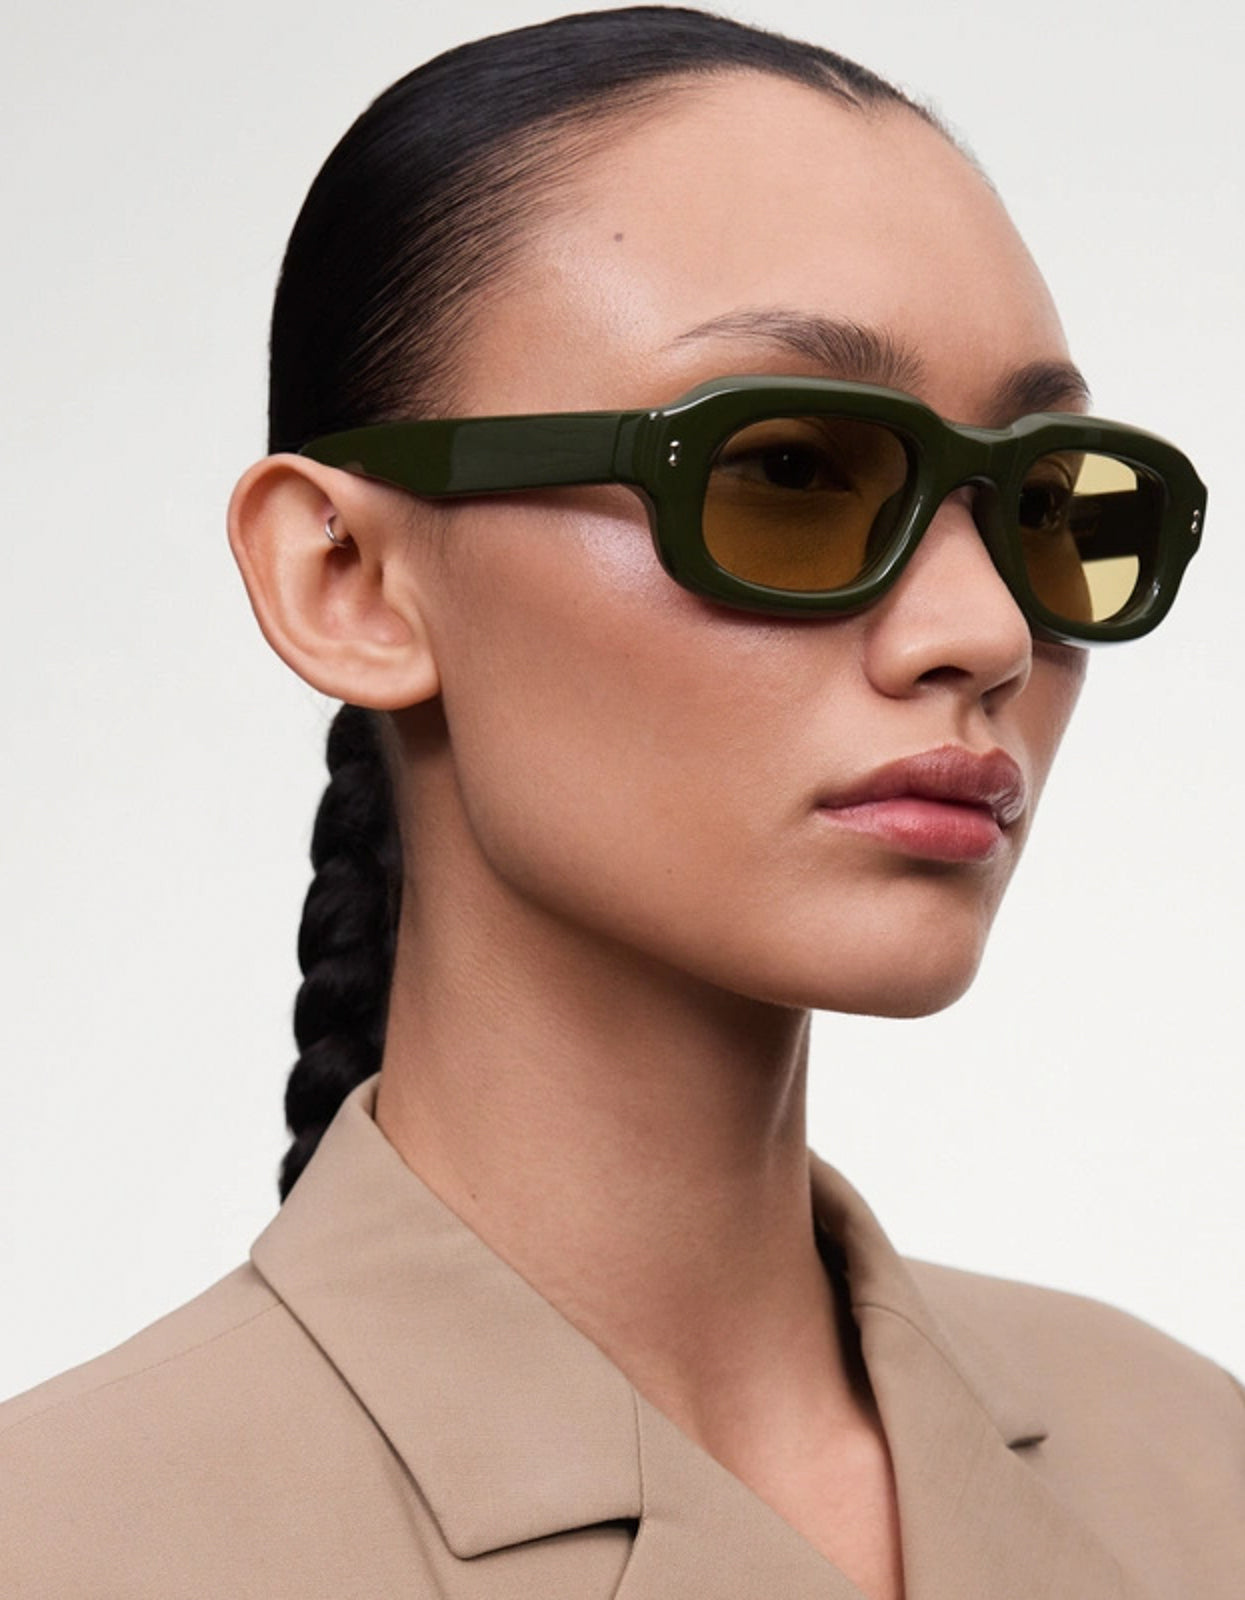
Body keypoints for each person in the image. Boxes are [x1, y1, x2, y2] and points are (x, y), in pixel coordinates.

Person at [1, 8, 1239, 1598]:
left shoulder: (1187, 1461)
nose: (987, 631)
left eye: (1045, 503)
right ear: (345, 578)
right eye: (784, 471)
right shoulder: (70, 1543)